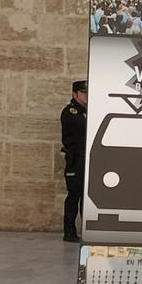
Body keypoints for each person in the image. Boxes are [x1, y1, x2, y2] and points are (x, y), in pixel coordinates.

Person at [60, 80, 87, 242]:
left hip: (85, 159)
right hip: (75, 160)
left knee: (85, 196)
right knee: (74, 195)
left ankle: (87, 229)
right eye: (83, 92)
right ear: (74, 94)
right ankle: (69, 231)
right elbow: (83, 127)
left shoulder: (85, 111)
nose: (87, 95)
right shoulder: (71, 112)